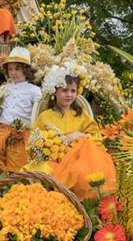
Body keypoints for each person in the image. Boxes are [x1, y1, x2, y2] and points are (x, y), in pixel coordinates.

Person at [26, 69, 116, 200]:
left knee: (82, 171)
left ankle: (84, 204)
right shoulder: (45, 116)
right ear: (55, 91)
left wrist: (80, 135)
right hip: (54, 159)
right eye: (64, 90)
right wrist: (50, 148)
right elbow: (34, 141)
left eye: (73, 91)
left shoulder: (81, 115)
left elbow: (95, 136)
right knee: (44, 170)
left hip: (79, 158)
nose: (69, 95)